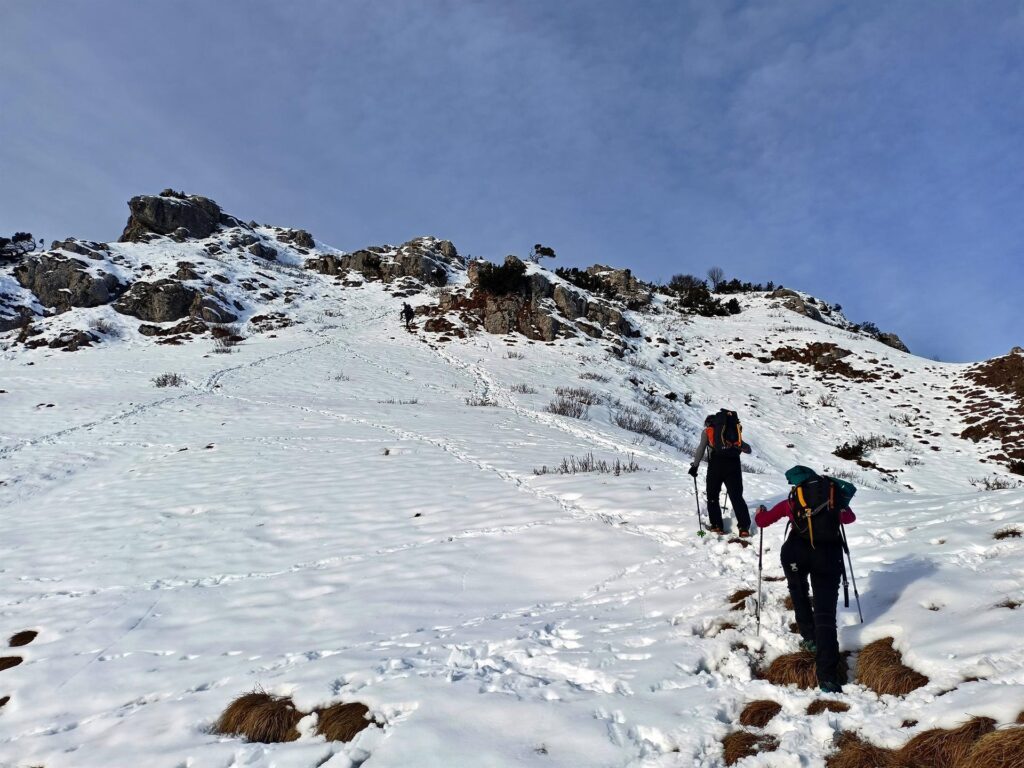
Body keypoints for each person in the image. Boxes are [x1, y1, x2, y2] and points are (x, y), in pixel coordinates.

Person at [755, 486, 856, 694]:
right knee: (825, 614)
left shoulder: (793, 503)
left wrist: (760, 514)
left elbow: (762, 522)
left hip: (795, 554)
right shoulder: (833, 503)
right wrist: (838, 506)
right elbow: (849, 519)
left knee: (798, 591)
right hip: (828, 558)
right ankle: (827, 677)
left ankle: (809, 638)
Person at [688, 410, 752, 536]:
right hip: (734, 464)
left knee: (712, 496)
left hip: (716, 464)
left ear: (708, 423)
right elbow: (748, 449)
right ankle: (744, 527)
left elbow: (701, 448)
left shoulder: (708, 431)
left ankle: (717, 526)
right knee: (736, 497)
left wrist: (695, 466)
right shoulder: (732, 431)